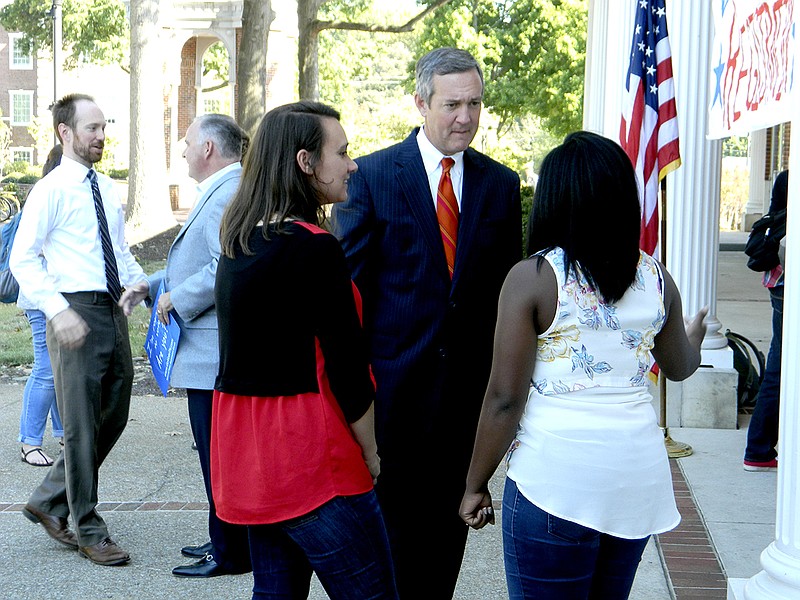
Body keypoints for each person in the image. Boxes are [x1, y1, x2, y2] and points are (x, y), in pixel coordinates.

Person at [459, 131, 708, 600]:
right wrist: (692, 337)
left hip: (557, 480)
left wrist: (475, 483)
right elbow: (679, 366)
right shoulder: (657, 277)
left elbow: (504, 398)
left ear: (554, 199)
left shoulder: (534, 278)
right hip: (636, 479)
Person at [331, 47, 522, 597]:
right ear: (420, 103)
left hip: (464, 405)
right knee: (388, 554)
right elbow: (349, 293)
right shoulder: (371, 175)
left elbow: (506, 298)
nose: (465, 117)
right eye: (452, 104)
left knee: (443, 554)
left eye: (474, 104)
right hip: (390, 400)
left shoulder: (500, 185)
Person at [212, 100, 398, 599]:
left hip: (252, 461)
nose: (352, 164)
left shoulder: (239, 241)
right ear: (305, 163)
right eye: (342, 152)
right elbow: (348, 371)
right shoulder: (315, 247)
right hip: (313, 462)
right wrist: (373, 454)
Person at [10, 93, 148, 566]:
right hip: (72, 311)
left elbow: (118, 248)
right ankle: (88, 527)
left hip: (112, 310)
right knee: (80, 428)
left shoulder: (105, 187)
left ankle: (48, 499)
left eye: (103, 126)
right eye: (91, 128)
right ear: (64, 133)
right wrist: (56, 310)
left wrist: (137, 281)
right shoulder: (49, 190)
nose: (101, 136)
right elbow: (22, 258)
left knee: (114, 412)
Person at [119, 114, 251, 577]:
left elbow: (225, 267)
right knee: (216, 453)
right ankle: (226, 538)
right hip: (206, 351)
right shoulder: (222, 190)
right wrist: (153, 287)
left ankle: (232, 552)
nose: (183, 150)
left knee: (218, 456)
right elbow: (192, 264)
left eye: (189, 141)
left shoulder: (228, 192)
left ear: (210, 149)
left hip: (211, 352)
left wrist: (176, 298)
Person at [18, 144, 64, 467]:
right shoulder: (47, 195)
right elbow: (31, 252)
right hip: (40, 298)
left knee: (60, 369)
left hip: (57, 297)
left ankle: (63, 432)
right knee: (47, 369)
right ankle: (29, 441)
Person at [743, 169, 789, 472]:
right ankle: (757, 449)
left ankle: (758, 448)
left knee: (779, 364)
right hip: (789, 279)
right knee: (778, 368)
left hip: (779, 280)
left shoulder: (786, 177)